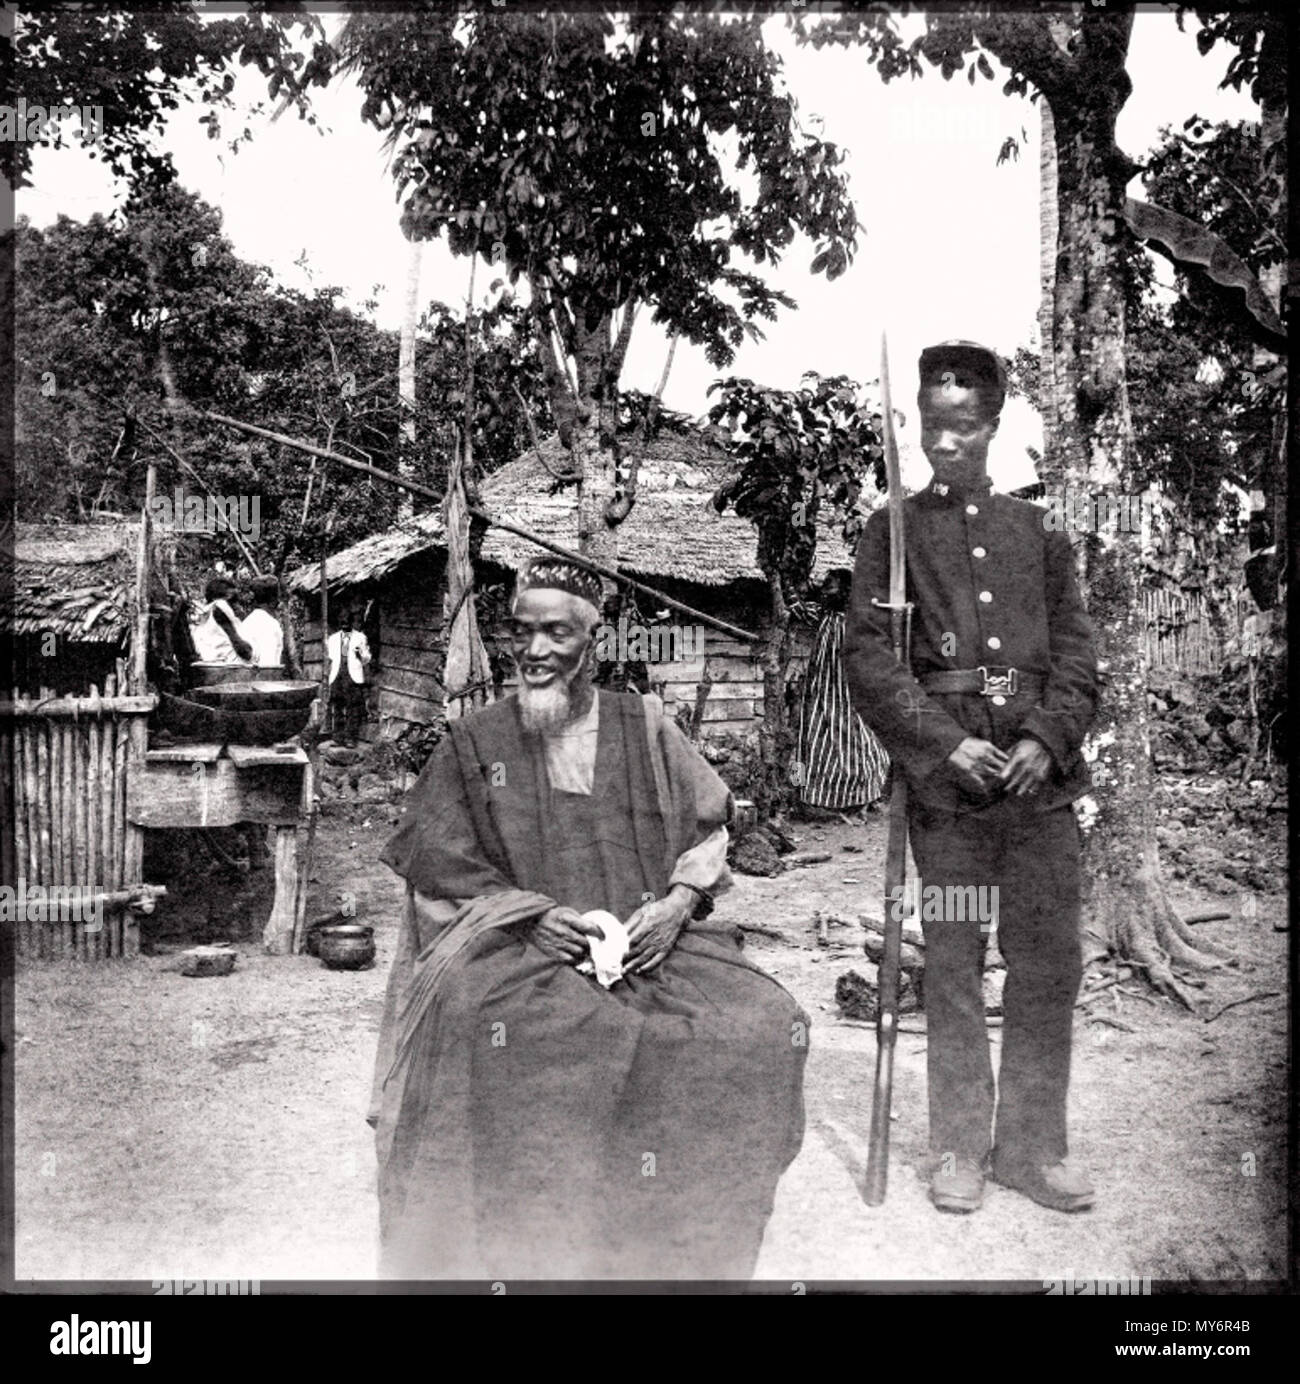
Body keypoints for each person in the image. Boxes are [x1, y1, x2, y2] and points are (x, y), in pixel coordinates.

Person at [369, 556, 808, 1279]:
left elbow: (709, 830)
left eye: (557, 634)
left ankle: (676, 1259)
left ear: (592, 643)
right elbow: (435, 867)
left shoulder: (647, 726)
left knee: (757, 1024)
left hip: (650, 949)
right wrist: (523, 916)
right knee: (524, 1039)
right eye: (522, 633)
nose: (536, 652)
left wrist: (677, 905)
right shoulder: (474, 742)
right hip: (516, 956)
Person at [843, 340, 1100, 1216]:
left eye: (963, 427)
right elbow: (871, 661)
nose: (944, 443)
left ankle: (1030, 1149)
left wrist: (1046, 740)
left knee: (1047, 964)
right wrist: (944, 746)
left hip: (1040, 800)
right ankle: (958, 1147)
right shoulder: (893, 534)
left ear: (991, 428)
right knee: (952, 961)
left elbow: (1076, 659)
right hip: (950, 804)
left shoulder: (1038, 535)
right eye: (931, 426)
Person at [793, 569, 888, 814]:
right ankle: (803, 792)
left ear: (846, 590)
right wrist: (787, 583)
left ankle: (858, 794)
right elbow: (797, 608)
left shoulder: (858, 622)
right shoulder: (823, 616)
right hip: (820, 688)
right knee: (809, 736)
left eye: (830, 586)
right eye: (824, 585)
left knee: (853, 738)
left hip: (847, 692)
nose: (825, 590)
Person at [327, 609, 371, 746]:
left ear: (351, 622)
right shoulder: (333, 639)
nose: (344, 624)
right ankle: (337, 738)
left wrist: (360, 654)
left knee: (352, 707)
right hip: (337, 675)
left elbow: (367, 659)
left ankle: (350, 738)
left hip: (353, 676)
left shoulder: (360, 638)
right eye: (342, 621)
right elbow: (330, 658)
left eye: (347, 621)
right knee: (337, 707)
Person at [188, 576, 253, 666]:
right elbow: (246, 653)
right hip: (230, 669)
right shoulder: (220, 607)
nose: (237, 606)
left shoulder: (204, 617)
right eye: (232, 601)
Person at [238, 576, 289, 672]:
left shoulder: (247, 622)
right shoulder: (270, 625)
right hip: (261, 682)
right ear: (274, 599)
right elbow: (268, 666)